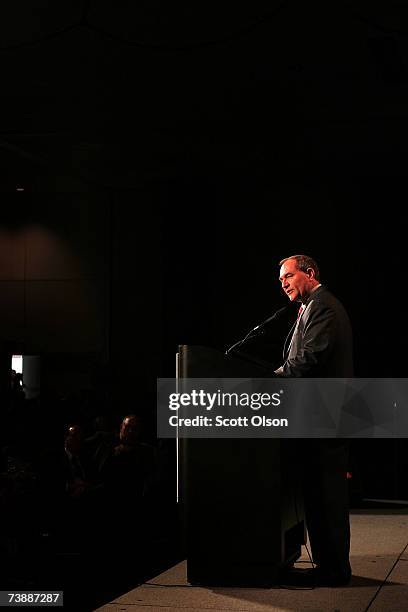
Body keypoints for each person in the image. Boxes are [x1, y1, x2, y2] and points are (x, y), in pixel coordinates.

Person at [275, 254, 353, 587]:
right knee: (317, 495)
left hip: (325, 418)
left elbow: (310, 357)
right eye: (280, 280)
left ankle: (334, 571)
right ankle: (327, 566)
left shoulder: (324, 306)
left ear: (309, 273)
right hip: (315, 417)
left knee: (327, 495)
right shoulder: (310, 307)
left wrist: (274, 379)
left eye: (288, 276)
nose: (284, 283)